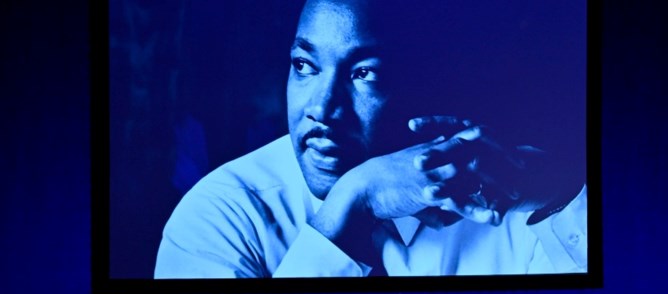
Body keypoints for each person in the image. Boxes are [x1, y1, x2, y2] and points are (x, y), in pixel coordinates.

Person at [154, 0, 587, 278]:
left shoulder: (494, 193)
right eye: (304, 65)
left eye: (365, 73)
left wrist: (560, 189)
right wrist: (352, 203)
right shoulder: (221, 214)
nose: (322, 109)